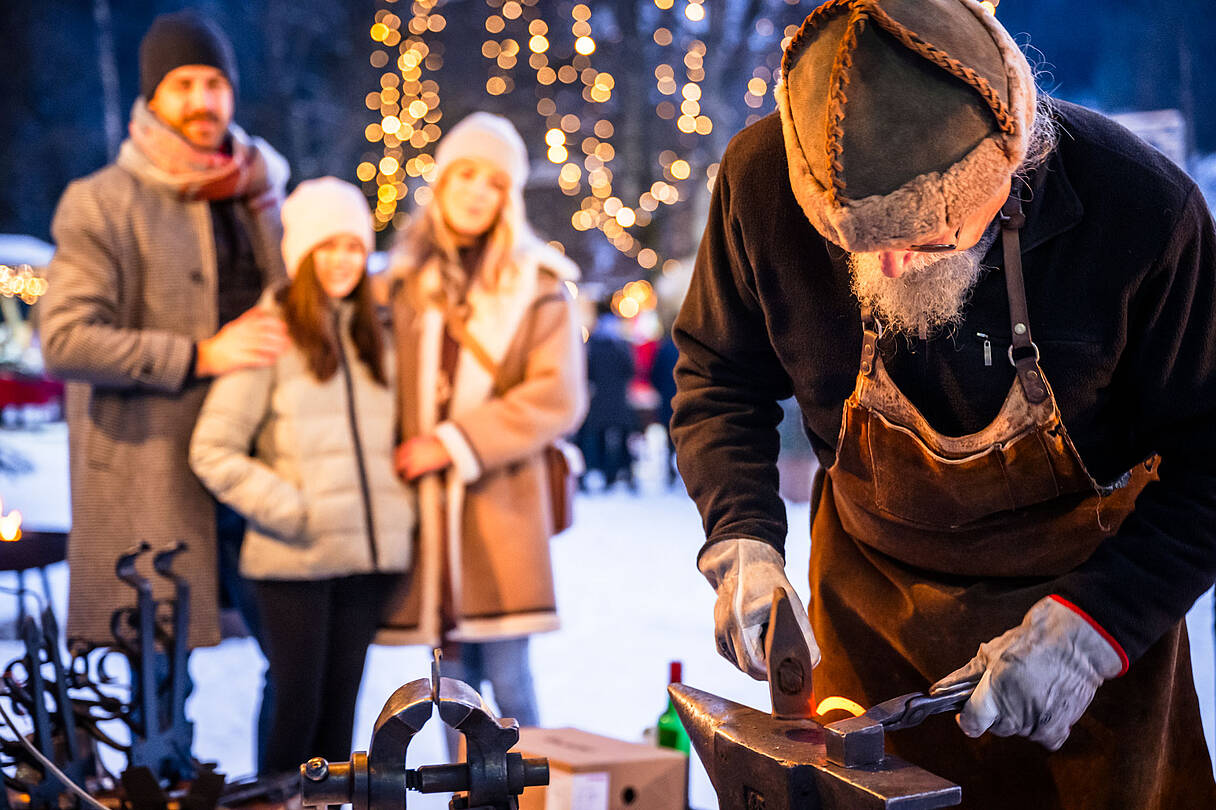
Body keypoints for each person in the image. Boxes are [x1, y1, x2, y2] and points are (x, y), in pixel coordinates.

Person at [671, 1, 1216, 807]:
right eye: (852, 238)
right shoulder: (758, 182)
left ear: (1007, 164)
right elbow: (719, 375)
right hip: (867, 612)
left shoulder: (1138, 211)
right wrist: (742, 536)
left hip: (1085, 623)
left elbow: (1210, 456)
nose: (888, 267)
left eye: (925, 236)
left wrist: (1097, 629)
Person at [39, 9, 288, 760]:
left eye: (216, 82)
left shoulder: (266, 194)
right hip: (151, 479)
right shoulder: (102, 201)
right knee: (158, 692)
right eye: (184, 84)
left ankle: (289, 792)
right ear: (152, 98)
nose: (204, 100)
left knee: (300, 655)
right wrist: (199, 354)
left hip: (259, 470)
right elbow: (64, 338)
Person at [189, 177, 415, 776]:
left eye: (353, 246)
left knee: (342, 711)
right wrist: (294, 509)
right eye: (327, 246)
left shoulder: (377, 336)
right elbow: (212, 448)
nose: (343, 260)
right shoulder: (271, 333)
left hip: (368, 562)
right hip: (294, 560)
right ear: (302, 254)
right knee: (297, 706)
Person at [381, 112, 586, 757]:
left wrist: (454, 441)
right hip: (425, 513)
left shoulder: (539, 288)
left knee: (510, 683)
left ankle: (529, 800)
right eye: (464, 174)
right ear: (440, 183)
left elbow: (557, 397)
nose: (475, 191)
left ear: (509, 197)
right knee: (446, 690)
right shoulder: (400, 285)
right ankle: (460, 800)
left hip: (500, 511)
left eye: (493, 182)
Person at [576, 300, 637, 492]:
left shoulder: (593, 344)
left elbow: (587, 371)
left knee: (599, 436)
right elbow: (630, 368)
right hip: (618, 398)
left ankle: (602, 471)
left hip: (599, 399)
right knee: (620, 437)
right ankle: (618, 472)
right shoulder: (620, 344)